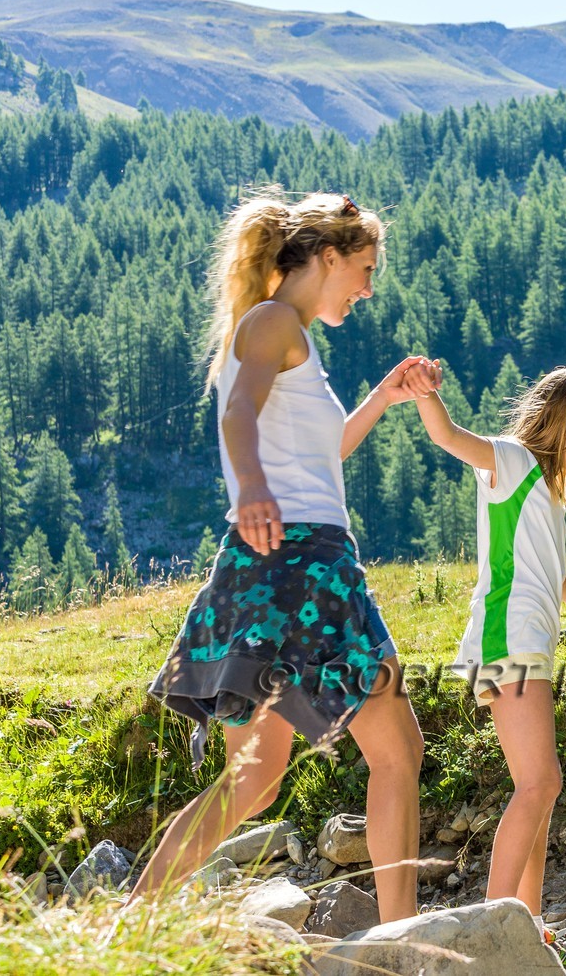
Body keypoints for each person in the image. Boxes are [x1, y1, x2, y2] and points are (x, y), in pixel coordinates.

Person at [134, 191, 430, 922]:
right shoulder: (273, 322)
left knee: (255, 775)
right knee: (398, 752)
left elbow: (320, 455)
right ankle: (404, 939)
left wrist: (383, 399)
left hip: (262, 573)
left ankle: (128, 925)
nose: (367, 288)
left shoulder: (287, 332)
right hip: (306, 568)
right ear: (327, 257)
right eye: (363, 268)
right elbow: (239, 415)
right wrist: (255, 490)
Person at [408, 365, 566, 926]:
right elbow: (449, 438)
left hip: (526, 640)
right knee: (542, 784)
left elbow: (556, 580)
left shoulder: (544, 491)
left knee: (537, 794)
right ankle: (495, 928)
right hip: (506, 637)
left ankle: (529, 926)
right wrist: (426, 391)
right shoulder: (513, 461)